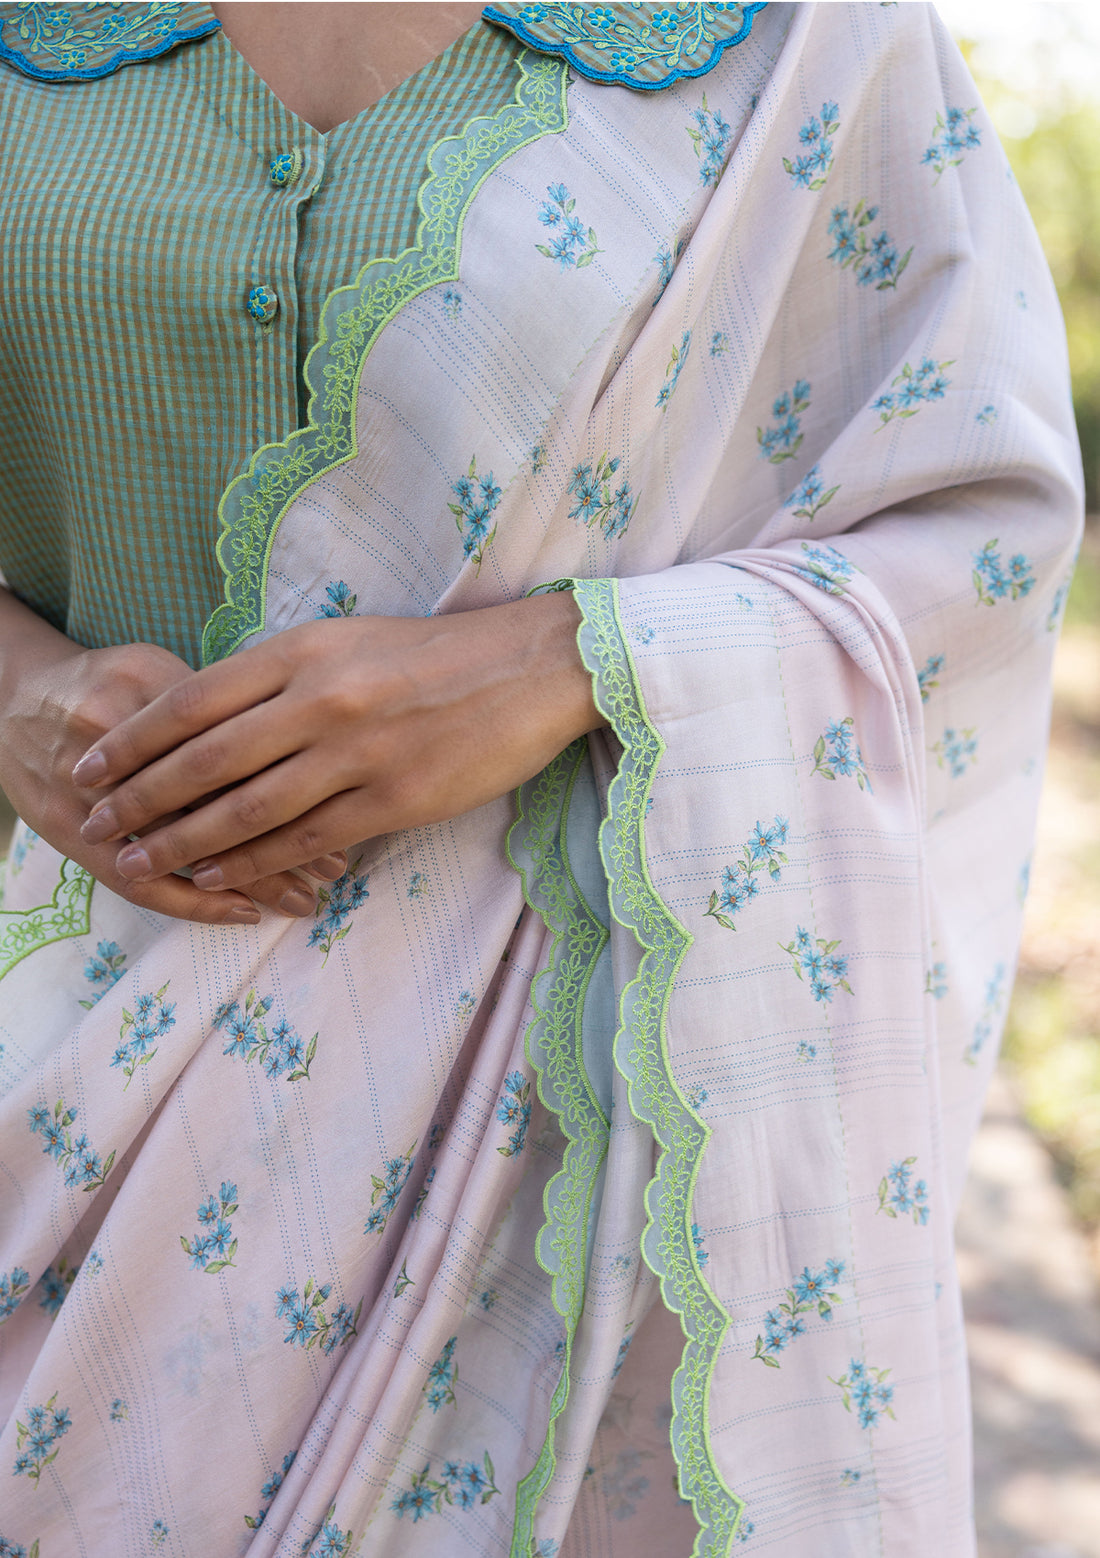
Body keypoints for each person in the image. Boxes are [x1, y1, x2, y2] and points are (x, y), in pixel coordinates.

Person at [0, 2, 1082, 1554]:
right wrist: (20, 697)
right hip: (49, 1076)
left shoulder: (790, 37)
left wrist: (562, 665)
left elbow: (982, 539)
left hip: (562, 1184)